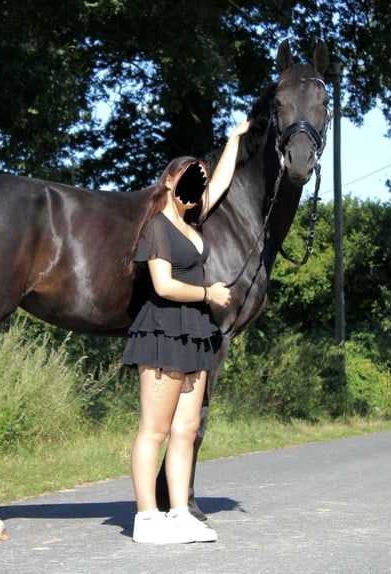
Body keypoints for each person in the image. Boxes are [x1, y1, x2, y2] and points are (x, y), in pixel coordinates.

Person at [122, 118, 252, 544]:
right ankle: (146, 517)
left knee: (185, 429)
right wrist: (208, 292)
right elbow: (163, 285)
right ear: (169, 182)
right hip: (161, 332)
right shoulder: (158, 224)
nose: (196, 188)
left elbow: (221, 181)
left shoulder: (192, 223)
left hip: (195, 335)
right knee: (154, 430)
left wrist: (234, 138)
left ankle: (179, 512)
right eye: (187, 179)